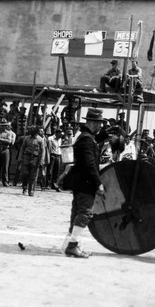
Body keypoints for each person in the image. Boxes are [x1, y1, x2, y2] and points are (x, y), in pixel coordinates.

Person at [65, 108, 106, 258]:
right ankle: (72, 246)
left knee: (77, 212)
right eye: (99, 123)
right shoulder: (87, 140)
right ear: (93, 123)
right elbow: (90, 164)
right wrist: (98, 183)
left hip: (80, 182)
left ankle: (70, 245)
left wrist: (107, 134)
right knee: (85, 213)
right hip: (86, 183)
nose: (100, 126)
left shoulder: (85, 137)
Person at [18, 126, 45, 196]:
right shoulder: (27, 138)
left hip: (35, 158)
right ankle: (24, 187)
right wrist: (20, 157)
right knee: (24, 173)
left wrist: (41, 160)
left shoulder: (40, 140)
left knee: (33, 176)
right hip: (26, 156)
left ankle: (31, 190)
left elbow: (43, 150)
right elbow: (22, 148)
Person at [0, 118, 15, 186]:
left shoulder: (8, 133)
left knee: (5, 167)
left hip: (5, 150)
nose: (3, 127)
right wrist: (3, 140)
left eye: (4, 125)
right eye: (2, 125)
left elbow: (9, 141)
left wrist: (0, 139)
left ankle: (5, 181)